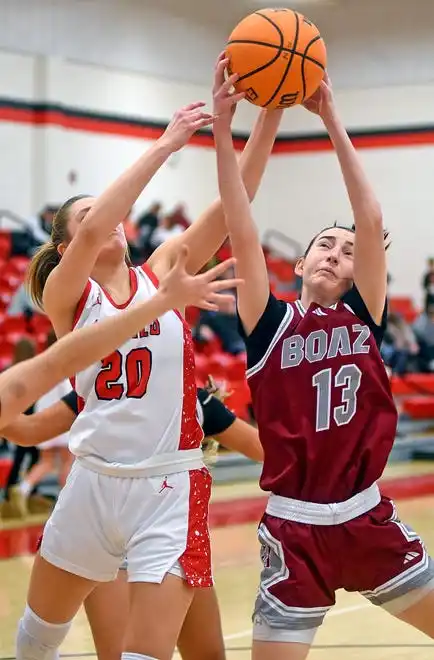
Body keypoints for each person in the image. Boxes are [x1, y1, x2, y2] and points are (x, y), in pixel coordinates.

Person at [19, 74, 281, 660]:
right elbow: (91, 225)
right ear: (64, 247)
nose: (111, 218)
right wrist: (166, 144)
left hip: (168, 482)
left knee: (156, 651)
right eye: (93, 213)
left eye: (112, 211)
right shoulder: (67, 295)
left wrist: (269, 114)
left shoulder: (162, 273)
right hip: (91, 481)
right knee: (35, 640)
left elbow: (240, 193)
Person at [213, 59, 434, 660]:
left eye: (347, 249)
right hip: (294, 528)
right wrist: (229, 129)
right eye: (324, 246)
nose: (337, 254)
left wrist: (332, 117)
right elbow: (238, 220)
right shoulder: (269, 321)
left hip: (367, 518)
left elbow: (372, 219)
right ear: (301, 264)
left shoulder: (362, 313)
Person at [3, 377, 262, 660]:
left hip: (175, 541)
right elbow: (29, 430)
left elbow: (265, 450)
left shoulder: (194, 398)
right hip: (113, 546)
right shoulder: (99, 387)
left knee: (208, 655)